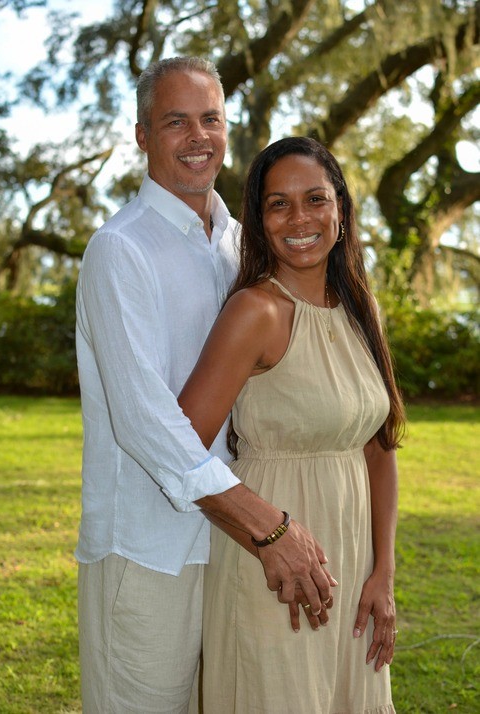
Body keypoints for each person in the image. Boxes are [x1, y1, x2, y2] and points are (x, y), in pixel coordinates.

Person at [75, 59, 335, 714]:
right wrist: (267, 525)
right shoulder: (120, 249)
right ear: (142, 135)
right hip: (148, 550)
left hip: (233, 554)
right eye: (176, 122)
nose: (198, 137)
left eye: (210, 119)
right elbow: (143, 419)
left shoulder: (242, 245)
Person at [178, 136, 406, 713]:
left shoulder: (361, 309)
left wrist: (383, 572)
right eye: (278, 204)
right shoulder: (254, 311)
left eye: (315, 199)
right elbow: (179, 450)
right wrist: (269, 537)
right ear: (259, 221)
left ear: (341, 210)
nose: (300, 218)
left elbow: (378, 449)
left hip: (353, 571)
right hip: (271, 571)